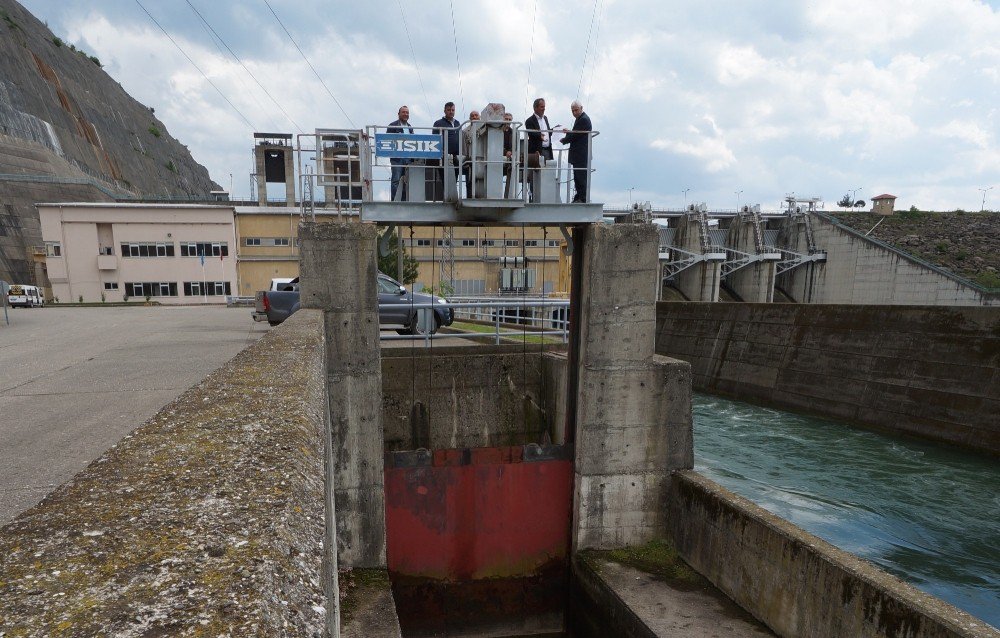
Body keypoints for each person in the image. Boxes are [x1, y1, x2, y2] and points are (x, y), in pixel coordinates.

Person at [560, 100, 592, 203]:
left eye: (576, 110)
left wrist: (564, 140)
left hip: (581, 154)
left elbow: (576, 135)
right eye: (572, 111)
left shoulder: (583, 119)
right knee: (578, 177)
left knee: (580, 177)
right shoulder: (580, 119)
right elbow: (576, 133)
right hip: (579, 154)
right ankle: (579, 196)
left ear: (581, 108)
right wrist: (569, 132)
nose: (574, 113)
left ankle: (582, 198)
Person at [432, 102, 460, 198]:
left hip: (456, 156)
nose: (451, 112)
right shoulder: (438, 123)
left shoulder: (457, 123)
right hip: (444, 156)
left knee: (455, 178)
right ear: (445, 111)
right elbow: (435, 140)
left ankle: (452, 197)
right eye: (449, 110)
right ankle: (446, 198)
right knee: (445, 178)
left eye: (453, 110)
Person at [387, 105, 413, 201]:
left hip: (408, 158)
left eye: (407, 112)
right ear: (398, 114)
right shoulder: (392, 126)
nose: (406, 114)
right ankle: (395, 201)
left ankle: (405, 200)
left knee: (407, 180)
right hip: (397, 158)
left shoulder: (410, 127)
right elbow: (387, 141)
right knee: (396, 180)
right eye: (403, 112)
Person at [462, 110, 480, 197]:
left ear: (479, 117)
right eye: (472, 116)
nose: (474, 117)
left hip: (482, 159)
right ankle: (470, 196)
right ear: (469, 118)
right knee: (469, 180)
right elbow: (464, 146)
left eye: (476, 115)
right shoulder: (465, 131)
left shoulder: (486, 129)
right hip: (470, 159)